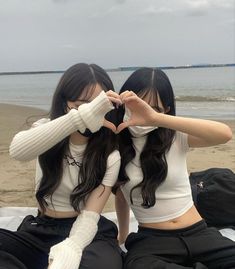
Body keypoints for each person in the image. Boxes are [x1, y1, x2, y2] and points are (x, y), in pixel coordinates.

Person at [0, 63, 123, 269]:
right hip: (41, 228)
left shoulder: (109, 153)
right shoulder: (46, 129)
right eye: (81, 105)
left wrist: (71, 248)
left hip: (86, 230)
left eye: (97, 106)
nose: (90, 112)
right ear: (64, 102)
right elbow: (18, 151)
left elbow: (90, 215)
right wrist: (80, 117)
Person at [115, 67, 235, 269]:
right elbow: (120, 193)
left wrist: (156, 119)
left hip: (198, 232)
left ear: (167, 111)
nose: (144, 112)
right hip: (153, 240)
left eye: (155, 108)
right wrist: (124, 233)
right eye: (138, 105)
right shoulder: (115, 145)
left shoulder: (175, 136)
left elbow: (224, 134)